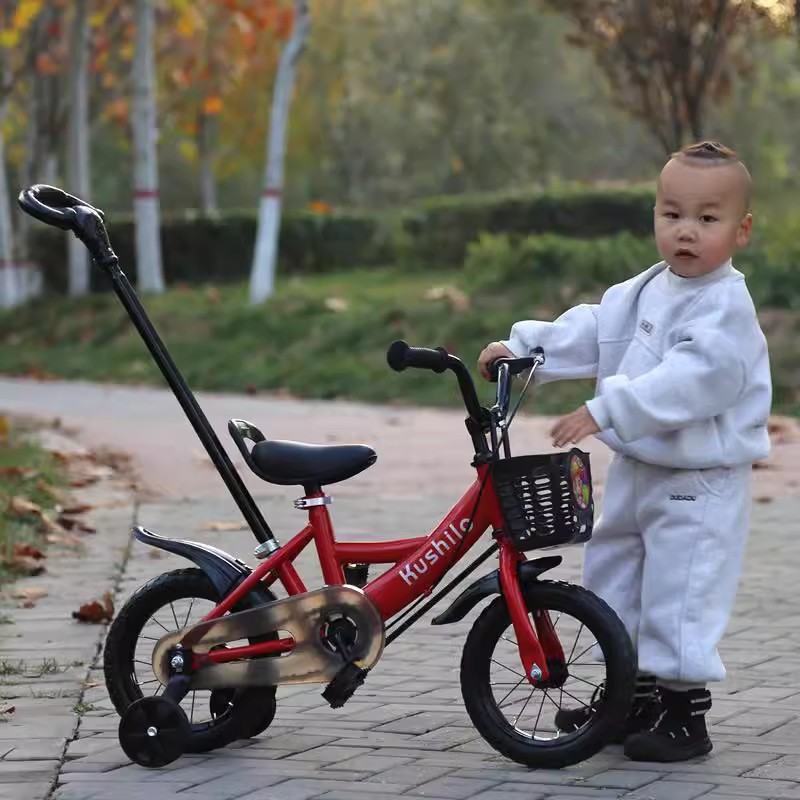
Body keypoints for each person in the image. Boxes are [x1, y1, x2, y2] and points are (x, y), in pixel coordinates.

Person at [478, 141, 772, 763]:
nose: (686, 231)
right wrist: (526, 348)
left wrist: (605, 409)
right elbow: (593, 326)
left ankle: (683, 713)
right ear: (655, 216)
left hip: (700, 477)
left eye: (707, 219)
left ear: (741, 230)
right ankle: (627, 695)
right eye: (672, 214)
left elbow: (696, 378)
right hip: (642, 467)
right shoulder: (646, 290)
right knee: (615, 573)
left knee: (681, 586)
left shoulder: (726, 306)